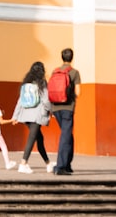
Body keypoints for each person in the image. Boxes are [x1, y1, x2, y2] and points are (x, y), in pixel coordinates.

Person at [11, 61, 54, 174]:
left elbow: (20, 101)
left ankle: (48, 164)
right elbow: (46, 100)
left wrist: (15, 116)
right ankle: (23, 163)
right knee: (32, 138)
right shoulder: (42, 83)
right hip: (36, 115)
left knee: (39, 138)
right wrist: (51, 111)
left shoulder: (26, 84)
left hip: (25, 115)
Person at [50, 47, 81, 175]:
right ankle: (60, 166)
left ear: (62, 57)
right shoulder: (74, 72)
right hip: (67, 108)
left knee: (68, 135)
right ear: (72, 57)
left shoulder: (55, 71)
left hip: (55, 107)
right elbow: (78, 92)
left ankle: (67, 164)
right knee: (65, 135)